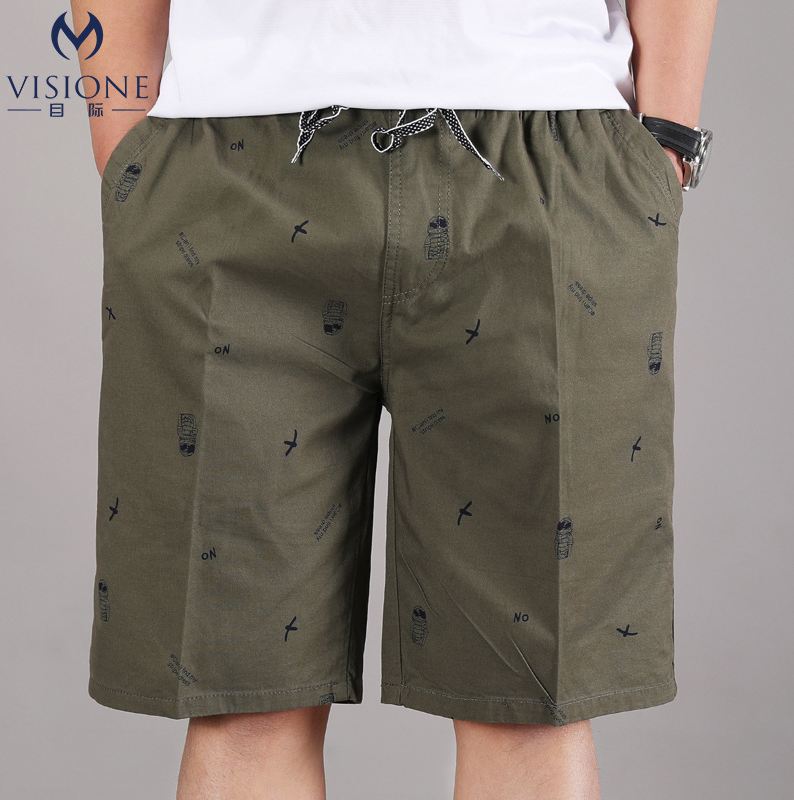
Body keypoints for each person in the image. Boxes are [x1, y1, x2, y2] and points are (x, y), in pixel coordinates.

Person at [73, 1, 718, 797]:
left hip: (543, 153)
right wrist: (127, 147)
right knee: (240, 705)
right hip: (224, 161)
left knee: (528, 707)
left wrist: (667, 139)